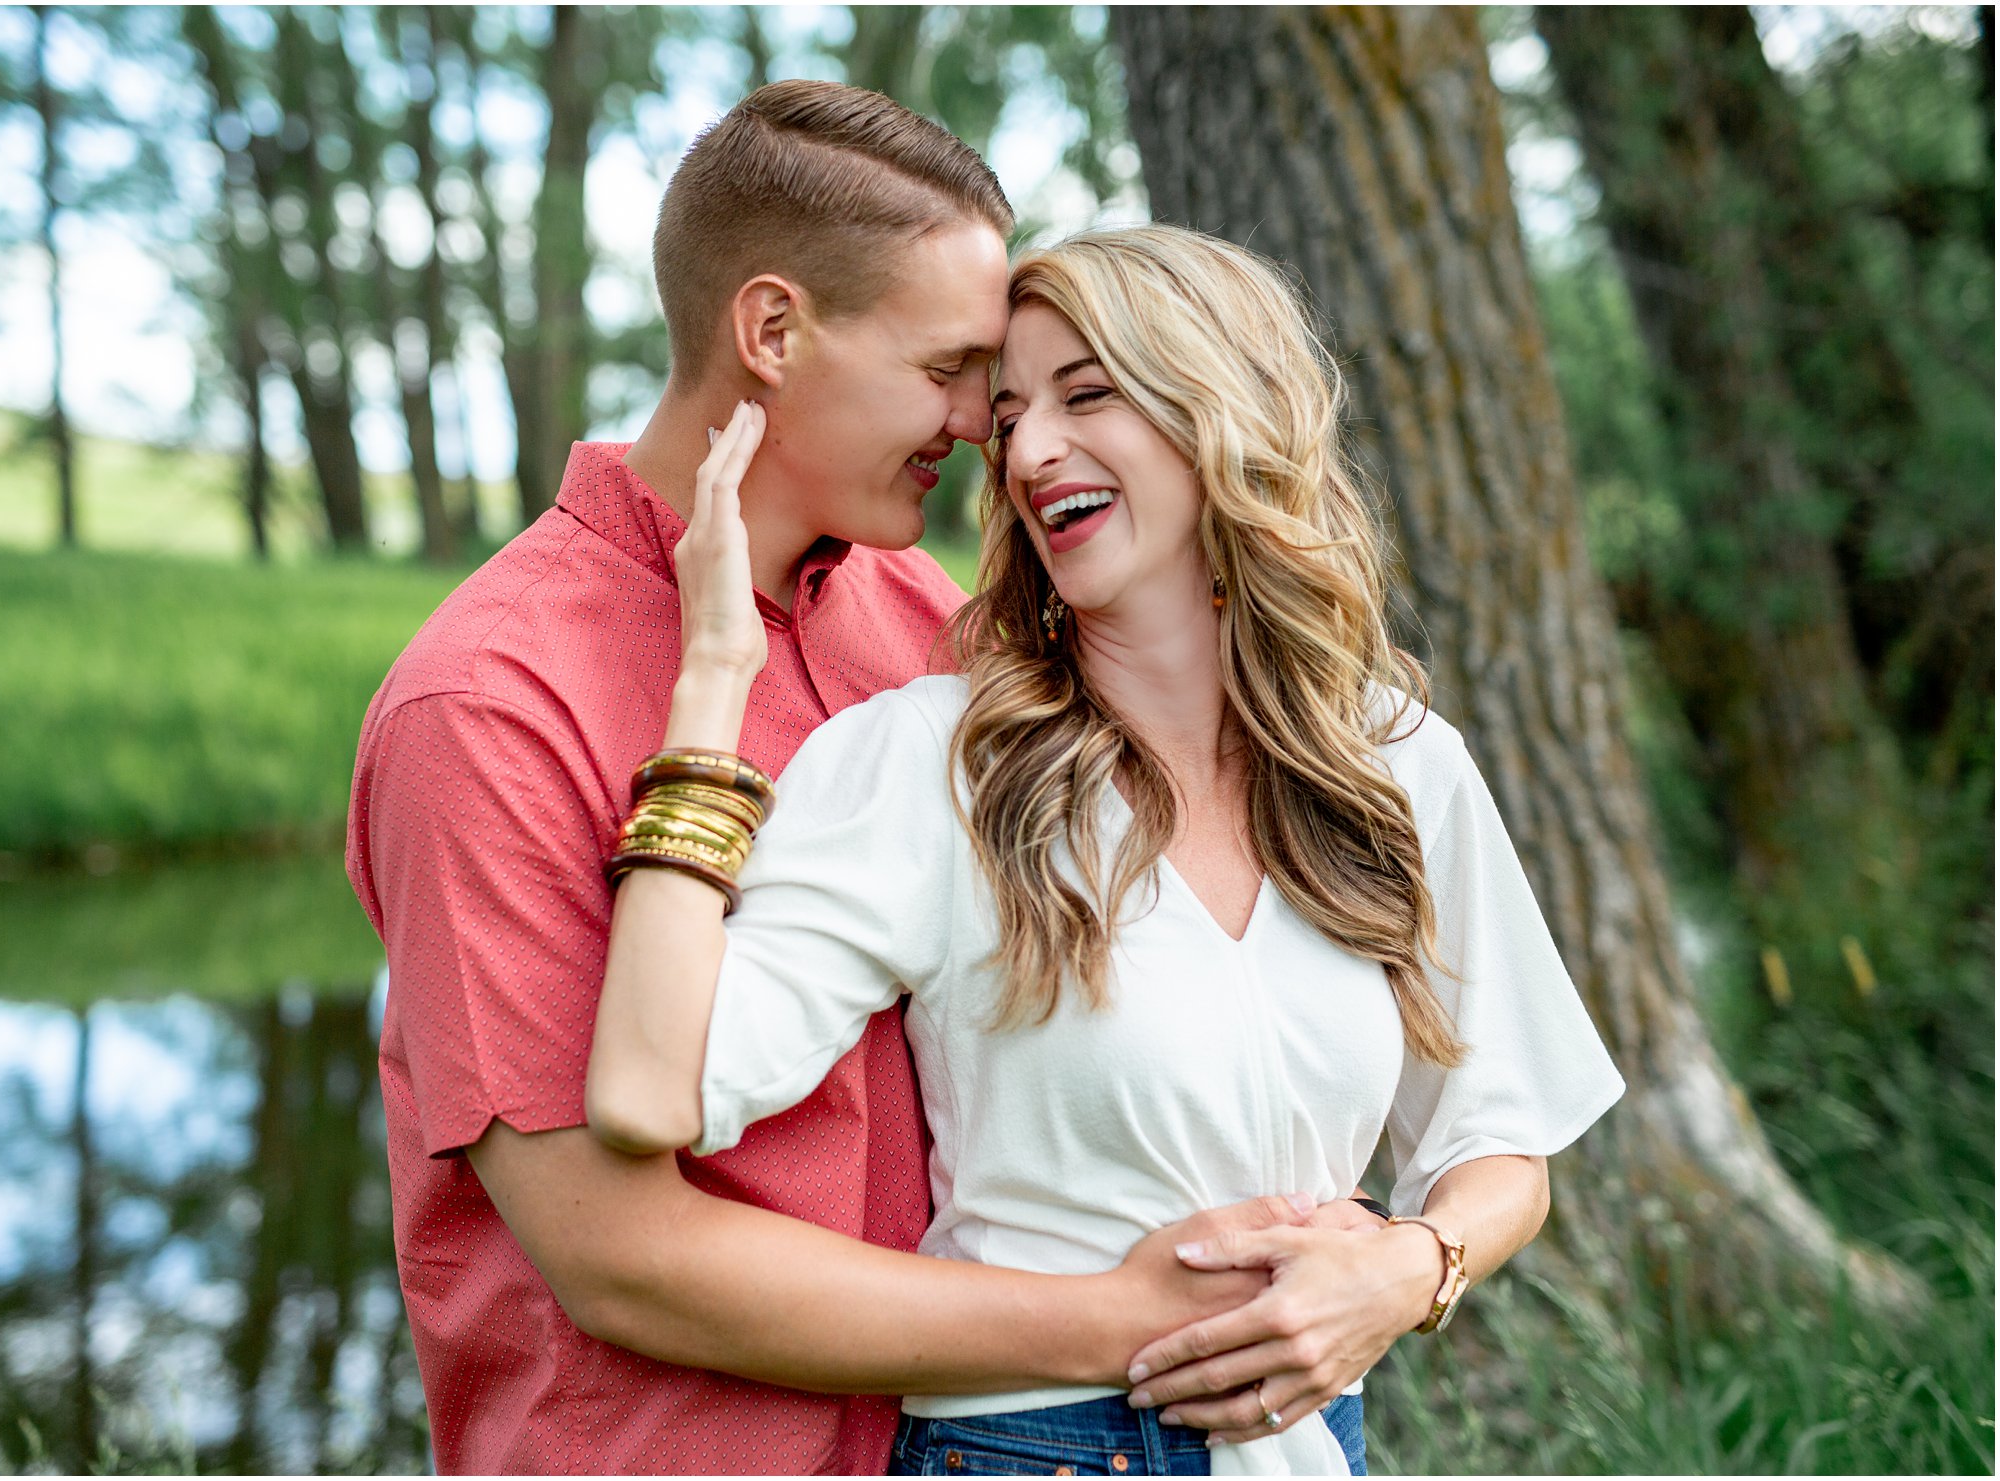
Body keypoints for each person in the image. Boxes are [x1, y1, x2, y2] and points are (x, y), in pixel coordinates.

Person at [348, 84, 1380, 1476]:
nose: (989, 426)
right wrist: (1121, 1327)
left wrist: (1384, 1253)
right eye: (954, 369)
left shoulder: (917, 616)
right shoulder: (487, 704)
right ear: (772, 331)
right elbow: (618, 1256)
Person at [585, 224, 1628, 1476]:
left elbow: (1498, 1136)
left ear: (1219, 410)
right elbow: (653, 1089)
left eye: (1087, 394)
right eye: (1009, 414)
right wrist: (710, 685)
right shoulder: (932, 762)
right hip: (1033, 1446)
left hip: (1309, 1448)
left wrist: (1410, 1266)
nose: (1026, 451)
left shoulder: (1392, 759)